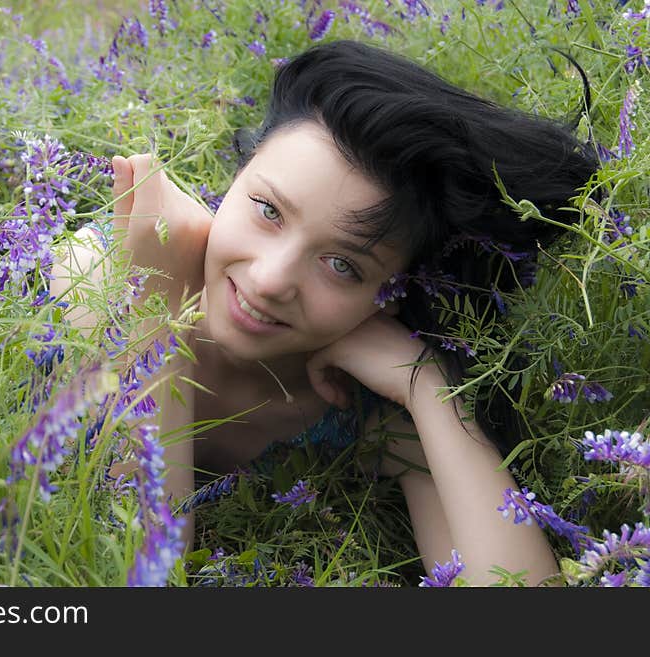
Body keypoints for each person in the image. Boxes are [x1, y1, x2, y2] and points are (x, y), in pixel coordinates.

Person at [51, 40, 598, 586]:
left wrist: (427, 386)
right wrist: (153, 298)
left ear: (394, 290)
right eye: (268, 211)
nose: (270, 281)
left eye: (342, 265)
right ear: (237, 176)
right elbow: (125, 568)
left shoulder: (369, 412)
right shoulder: (100, 273)